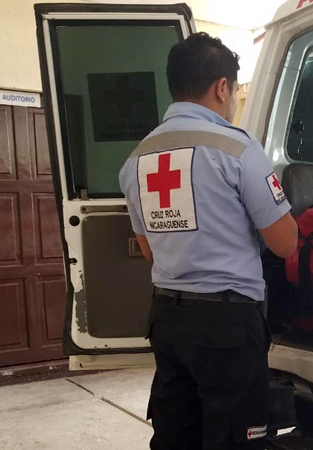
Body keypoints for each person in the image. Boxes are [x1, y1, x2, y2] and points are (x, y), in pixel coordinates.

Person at [118, 32, 298, 450]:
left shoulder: (137, 159)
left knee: (177, 434)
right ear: (222, 87)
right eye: (234, 91)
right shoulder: (236, 148)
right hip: (228, 325)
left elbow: (149, 250)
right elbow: (285, 243)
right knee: (235, 438)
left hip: (167, 318)